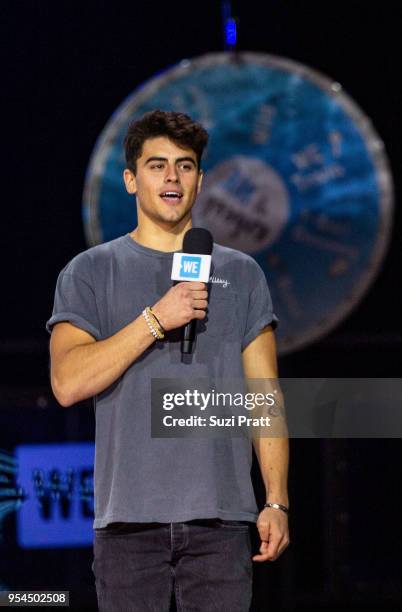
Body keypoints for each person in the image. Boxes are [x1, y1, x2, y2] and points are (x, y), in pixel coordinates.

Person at [46, 110, 290, 611]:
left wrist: (276, 499)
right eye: (157, 166)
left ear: (201, 179)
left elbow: (264, 396)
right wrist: (156, 319)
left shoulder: (242, 274)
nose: (172, 178)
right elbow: (68, 382)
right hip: (127, 526)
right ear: (131, 180)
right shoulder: (91, 271)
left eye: (185, 165)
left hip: (221, 524)